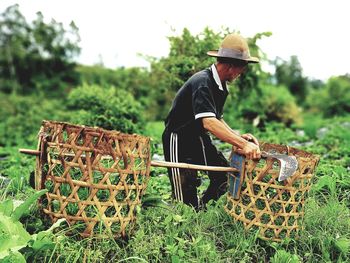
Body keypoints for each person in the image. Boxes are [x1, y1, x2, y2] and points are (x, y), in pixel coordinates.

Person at [162, 33, 261, 210]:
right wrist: (242, 145)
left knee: (223, 176)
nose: (242, 72)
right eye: (242, 67)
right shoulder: (202, 82)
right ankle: (186, 217)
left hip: (198, 137)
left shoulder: (221, 85)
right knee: (184, 196)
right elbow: (209, 123)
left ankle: (201, 210)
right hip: (178, 138)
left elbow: (217, 119)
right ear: (232, 66)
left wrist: (238, 138)